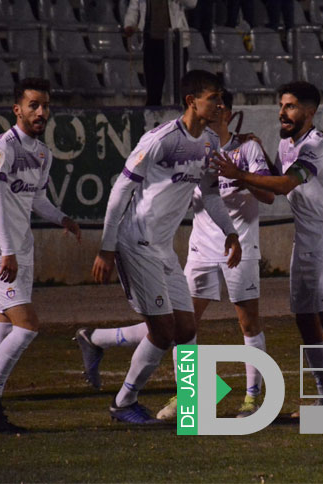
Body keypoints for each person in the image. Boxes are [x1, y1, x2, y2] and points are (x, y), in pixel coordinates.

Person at [76, 90, 274, 419]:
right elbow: (124, 190)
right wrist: (107, 247)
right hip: (164, 246)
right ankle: (145, 399)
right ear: (193, 101)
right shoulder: (173, 141)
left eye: (223, 105)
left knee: (191, 327)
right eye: (213, 101)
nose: (218, 109)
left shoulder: (229, 145)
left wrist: (232, 228)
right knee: (170, 328)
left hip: (198, 249)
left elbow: (230, 194)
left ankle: (234, 399)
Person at [213, 81, 323, 408]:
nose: (283, 112)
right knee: (305, 321)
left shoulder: (316, 145)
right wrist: (263, 154)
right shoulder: (288, 144)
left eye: (291, 106)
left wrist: (239, 175)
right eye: (281, 106)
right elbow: (281, 173)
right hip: (305, 241)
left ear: (310, 112)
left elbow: (284, 185)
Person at [0, 78, 81, 433]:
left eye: (45, 106)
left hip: (18, 250)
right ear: (16, 109)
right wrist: (7, 251)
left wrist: (61, 217)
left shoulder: (41, 153)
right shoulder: (2, 148)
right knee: (28, 325)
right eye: (33, 105)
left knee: (5, 329)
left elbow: (35, 198)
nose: (41, 112)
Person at [123, 0, 197, 106]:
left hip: (175, 43)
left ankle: (183, 117)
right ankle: (153, 119)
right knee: (153, 89)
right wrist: (129, 25)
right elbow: (133, 9)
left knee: (180, 86)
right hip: (151, 42)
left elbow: (192, 2)